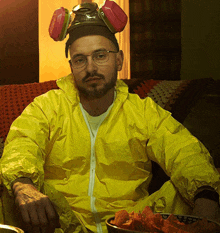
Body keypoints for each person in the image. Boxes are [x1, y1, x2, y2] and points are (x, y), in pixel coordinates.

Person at [1, 2, 220, 233]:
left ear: (119, 60)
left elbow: (183, 151)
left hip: (128, 225)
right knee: (12, 192)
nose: (90, 68)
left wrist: (206, 195)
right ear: (71, 66)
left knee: (195, 194)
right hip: (58, 222)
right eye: (80, 59)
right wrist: (24, 186)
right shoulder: (48, 106)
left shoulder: (143, 111)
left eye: (100, 55)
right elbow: (23, 143)